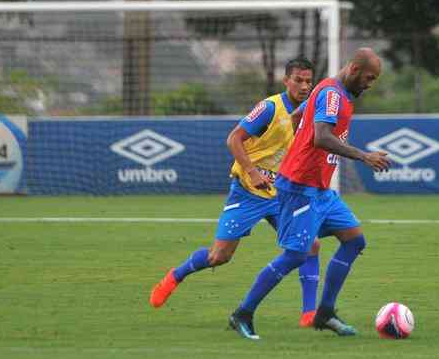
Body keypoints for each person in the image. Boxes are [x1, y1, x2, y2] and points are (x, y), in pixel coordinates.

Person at [228, 48, 390, 340]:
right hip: (300, 189)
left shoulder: (334, 92)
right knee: (296, 255)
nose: (370, 84)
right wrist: (364, 157)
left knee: (354, 241)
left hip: (321, 190)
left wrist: (299, 146)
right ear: (353, 69)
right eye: (368, 78)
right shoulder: (332, 94)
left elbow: (297, 115)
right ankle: (243, 313)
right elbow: (322, 136)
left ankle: (325, 312)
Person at [150, 57, 321, 327]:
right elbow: (233, 138)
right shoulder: (269, 108)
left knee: (310, 244)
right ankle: (175, 275)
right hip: (248, 191)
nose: (304, 86)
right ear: (286, 81)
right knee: (220, 256)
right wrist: (253, 172)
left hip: (280, 194)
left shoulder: (311, 112)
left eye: (308, 81)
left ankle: (310, 313)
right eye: (298, 80)